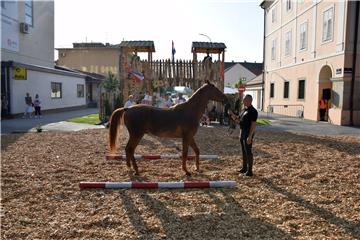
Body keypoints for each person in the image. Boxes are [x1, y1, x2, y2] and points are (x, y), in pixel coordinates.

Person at [229, 94, 258, 176]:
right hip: (242, 132)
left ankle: (250, 171)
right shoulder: (243, 110)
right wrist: (232, 115)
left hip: (248, 133)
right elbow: (238, 120)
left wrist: (250, 136)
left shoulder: (253, 111)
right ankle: (244, 168)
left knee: (248, 152)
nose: (243, 101)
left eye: (244, 100)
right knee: (243, 151)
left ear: (249, 101)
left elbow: (253, 124)